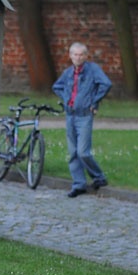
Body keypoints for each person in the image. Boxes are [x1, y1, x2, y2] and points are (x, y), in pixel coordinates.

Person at [52, 42, 112, 198]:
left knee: (83, 152)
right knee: (73, 152)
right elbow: (56, 86)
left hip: (84, 115)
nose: (78, 58)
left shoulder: (93, 70)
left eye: (81, 55)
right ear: (70, 56)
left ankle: (99, 177)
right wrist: (66, 98)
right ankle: (79, 184)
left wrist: (94, 101)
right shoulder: (68, 72)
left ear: (86, 56)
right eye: (75, 54)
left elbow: (106, 84)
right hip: (70, 114)